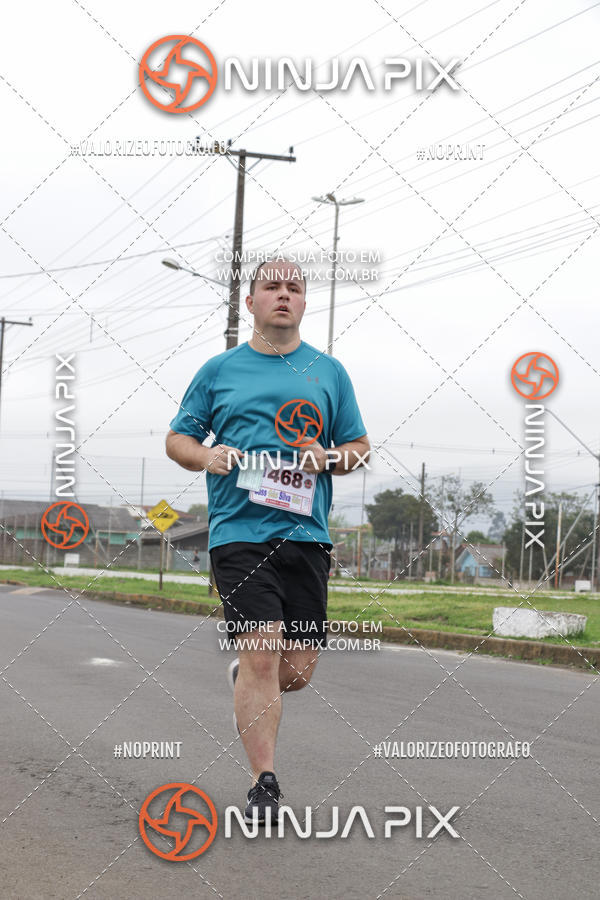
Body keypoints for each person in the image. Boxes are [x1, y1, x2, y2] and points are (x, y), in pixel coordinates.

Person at [166, 259, 369, 824]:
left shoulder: (329, 373)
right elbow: (177, 438)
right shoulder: (219, 370)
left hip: (307, 534)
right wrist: (207, 455)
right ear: (250, 301)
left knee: (297, 670)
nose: (284, 295)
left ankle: (249, 681)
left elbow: (359, 446)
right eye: (271, 287)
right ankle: (265, 783)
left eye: (295, 288)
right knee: (260, 649)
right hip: (239, 533)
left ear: (304, 303)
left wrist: (328, 457)